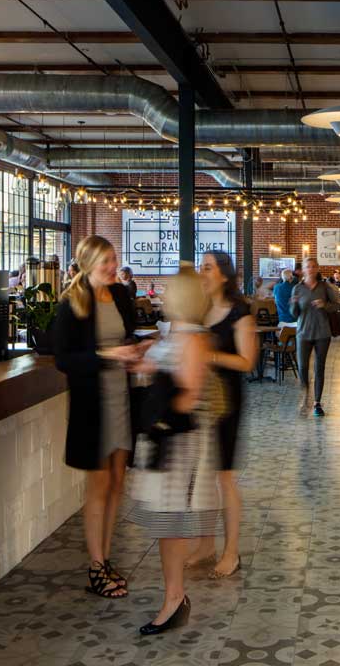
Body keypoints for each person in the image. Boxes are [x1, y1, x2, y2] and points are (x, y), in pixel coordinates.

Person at [126, 266, 222, 635]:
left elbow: (190, 396)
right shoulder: (174, 334)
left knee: (172, 524)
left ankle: (175, 598)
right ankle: (173, 596)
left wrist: (157, 389)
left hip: (180, 444)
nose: (163, 296)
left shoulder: (194, 340)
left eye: (169, 291)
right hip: (166, 439)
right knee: (167, 526)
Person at [51, 235, 144, 599]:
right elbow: (64, 360)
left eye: (113, 259)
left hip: (122, 399)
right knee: (99, 486)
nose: (112, 266)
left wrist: (137, 350)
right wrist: (109, 356)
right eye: (105, 261)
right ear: (87, 262)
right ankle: (95, 565)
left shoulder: (120, 295)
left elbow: (127, 335)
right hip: (93, 404)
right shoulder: (72, 303)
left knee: (118, 482)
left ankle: (106, 558)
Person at [189, 251, 258, 579]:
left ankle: (231, 550)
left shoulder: (239, 313)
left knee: (224, 476)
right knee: (202, 477)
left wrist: (211, 354)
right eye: (202, 267)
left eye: (207, 268)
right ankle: (206, 544)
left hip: (226, 400)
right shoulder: (200, 310)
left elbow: (247, 362)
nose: (202, 273)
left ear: (224, 275)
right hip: (198, 398)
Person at [290, 257, 340, 416]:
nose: (310, 269)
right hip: (303, 333)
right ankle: (305, 397)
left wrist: (324, 305)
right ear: (303, 270)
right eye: (307, 267)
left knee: (319, 367)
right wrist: (293, 304)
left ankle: (317, 403)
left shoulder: (325, 287)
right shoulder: (297, 289)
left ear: (317, 268)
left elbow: (337, 305)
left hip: (322, 333)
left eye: (313, 266)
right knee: (302, 367)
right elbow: (294, 314)